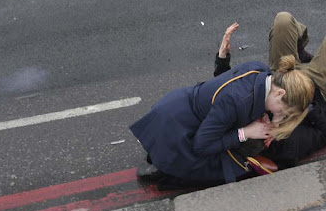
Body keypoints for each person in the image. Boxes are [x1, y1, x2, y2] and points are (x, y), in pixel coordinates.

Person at [131, 54, 314, 188]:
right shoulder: (236, 101)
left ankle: (158, 156)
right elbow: (201, 146)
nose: (280, 116)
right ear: (280, 93)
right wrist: (245, 133)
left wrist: (267, 118)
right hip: (177, 129)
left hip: (181, 108)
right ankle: (164, 166)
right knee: (228, 173)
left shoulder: (262, 71)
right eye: (283, 111)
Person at [214, 23, 326, 170]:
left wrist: (222, 58)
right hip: (310, 89)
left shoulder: (262, 112)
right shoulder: (291, 144)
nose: (263, 120)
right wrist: (305, 105)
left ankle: (300, 49)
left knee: (283, 21)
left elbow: (227, 92)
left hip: (287, 80)